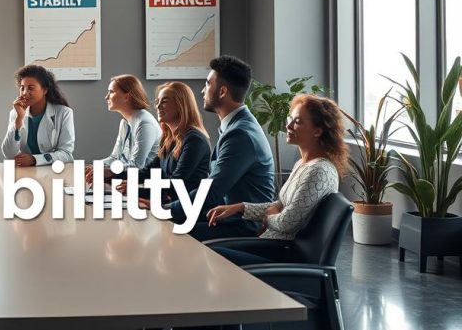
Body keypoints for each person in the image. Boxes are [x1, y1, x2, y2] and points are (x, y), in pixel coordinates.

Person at [206, 94, 347, 265]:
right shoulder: (303, 164)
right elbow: (280, 206)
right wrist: (240, 208)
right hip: (273, 245)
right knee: (208, 250)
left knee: (211, 256)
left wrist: (269, 218)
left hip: (284, 254)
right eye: (290, 119)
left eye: (298, 122)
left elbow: (288, 222)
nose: (288, 125)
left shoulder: (319, 171)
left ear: (317, 131)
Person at [171, 55, 275, 240]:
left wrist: (163, 210)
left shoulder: (240, 134)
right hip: (223, 216)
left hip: (241, 226)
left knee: (170, 231)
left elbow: (211, 192)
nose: (203, 91)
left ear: (222, 92)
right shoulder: (236, 126)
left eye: (208, 84)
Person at [115, 82, 210, 210]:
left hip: (183, 210)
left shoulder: (195, 140)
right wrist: (111, 174)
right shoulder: (168, 138)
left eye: (164, 101)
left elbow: (176, 184)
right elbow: (148, 171)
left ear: (181, 105)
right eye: (157, 101)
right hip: (166, 203)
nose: (158, 106)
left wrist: (135, 190)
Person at [85, 74, 162, 184]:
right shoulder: (125, 122)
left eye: (111, 92)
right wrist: (94, 167)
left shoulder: (144, 123)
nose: (106, 97)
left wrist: (107, 171)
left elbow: (137, 166)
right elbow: (115, 157)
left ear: (126, 97)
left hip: (143, 184)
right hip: (126, 180)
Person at [1, 64, 75, 167]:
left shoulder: (64, 113)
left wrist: (35, 159)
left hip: (52, 170)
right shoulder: (16, 113)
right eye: (22, 88)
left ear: (45, 90)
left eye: (31, 88)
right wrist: (19, 119)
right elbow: (8, 154)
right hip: (25, 171)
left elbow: (66, 154)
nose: (25, 93)